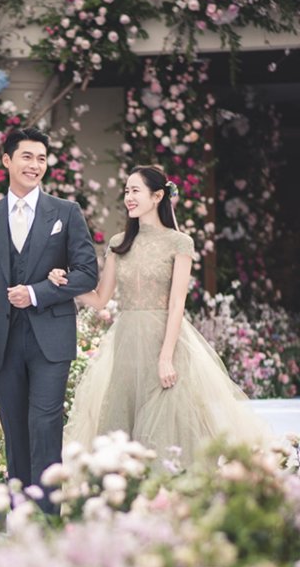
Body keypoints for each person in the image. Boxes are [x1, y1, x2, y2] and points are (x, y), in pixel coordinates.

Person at [49, 165, 272, 463]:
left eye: (135, 190)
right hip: (126, 342)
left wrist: (166, 356)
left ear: (157, 196)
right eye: (126, 191)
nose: (128, 197)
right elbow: (101, 299)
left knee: (168, 427)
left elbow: (177, 302)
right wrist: (66, 285)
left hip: (164, 340)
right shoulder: (118, 244)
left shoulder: (179, 243)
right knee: (122, 423)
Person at [0, 127, 99, 511]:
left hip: (50, 337)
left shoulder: (66, 213)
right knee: (14, 428)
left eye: (41, 158)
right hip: (2, 338)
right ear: (7, 161)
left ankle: (49, 513)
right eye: (27, 157)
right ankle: (21, 514)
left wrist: (37, 291)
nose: (35, 165)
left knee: (45, 423)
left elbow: (87, 273)